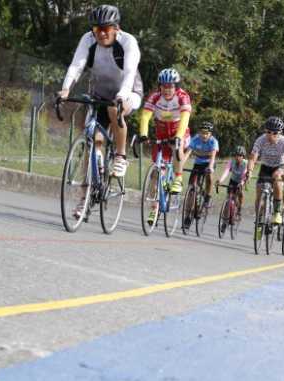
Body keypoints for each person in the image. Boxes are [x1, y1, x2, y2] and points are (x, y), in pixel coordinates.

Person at [58, 4, 143, 179]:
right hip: (101, 94)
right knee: (92, 143)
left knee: (114, 109)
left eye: (105, 28)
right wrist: (65, 90)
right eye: (97, 28)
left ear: (116, 28)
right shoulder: (88, 40)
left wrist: (121, 96)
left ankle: (120, 156)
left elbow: (129, 72)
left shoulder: (128, 42)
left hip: (129, 92)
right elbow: (76, 66)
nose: (101, 33)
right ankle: (86, 197)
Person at [138, 68, 192, 226]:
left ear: (176, 87)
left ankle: (178, 177)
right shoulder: (155, 97)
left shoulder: (183, 97)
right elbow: (146, 115)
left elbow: (185, 119)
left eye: (170, 86)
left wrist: (178, 137)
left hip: (179, 132)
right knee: (156, 174)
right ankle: (154, 209)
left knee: (178, 146)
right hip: (161, 135)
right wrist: (143, 133)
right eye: (164, 86)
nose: (167, 89)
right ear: (160, 86)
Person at [246, 116, 284, 227]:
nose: (271, 135)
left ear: (280, 133)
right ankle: (259, 219)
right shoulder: (261, 140)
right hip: (266, 167)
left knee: (277, 179)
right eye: (268, 132)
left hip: (280, 166)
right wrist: (249, 171)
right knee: (259, 193)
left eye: (275, 133)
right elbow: (253, 158)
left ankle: (277, 213)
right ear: (265, 130)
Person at [183, 121, 219, 227]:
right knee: (191, 190)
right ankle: (187, 216)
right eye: (202, 133)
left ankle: (207, 196)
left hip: (208, 163)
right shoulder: (195, 139)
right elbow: (187, 153)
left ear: (210, 134)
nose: (204, 135)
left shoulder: (213, 142)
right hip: (198, 164)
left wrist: (210, 167)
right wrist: (181, 165)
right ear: (199, 133)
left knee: (209, 175)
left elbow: (213, 157)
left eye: (206, 133)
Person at [217, 145, 248, 232]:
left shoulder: (246, 164)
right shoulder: (231, 162)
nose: (237, 157)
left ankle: (239, 209)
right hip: (233, 180)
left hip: (241, 181)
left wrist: (241, 183)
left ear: (243, 156)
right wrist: (220, 180)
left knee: (240, 194)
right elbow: (226, 172)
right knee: (228, 199)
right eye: (236, 155)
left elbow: (245, 175)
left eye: (240, 156)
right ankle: (224, 221)